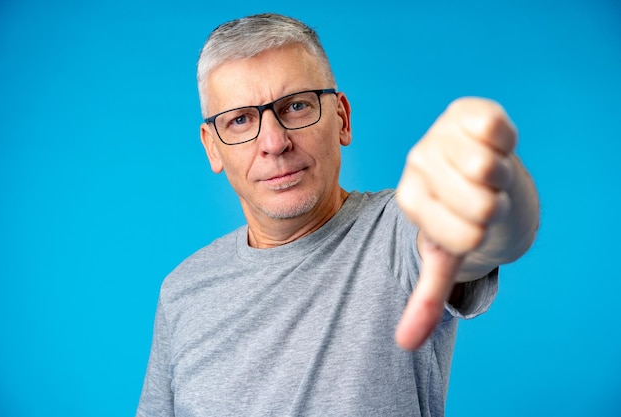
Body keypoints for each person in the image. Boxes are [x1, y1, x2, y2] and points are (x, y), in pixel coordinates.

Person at [137, 13, 539, 417]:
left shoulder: (397, 233)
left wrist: (495, 187)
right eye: (241, 120)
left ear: (342, 119)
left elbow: (477, 235)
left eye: (296, 106)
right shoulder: (182, 291)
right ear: (212, 147)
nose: (274, 142)